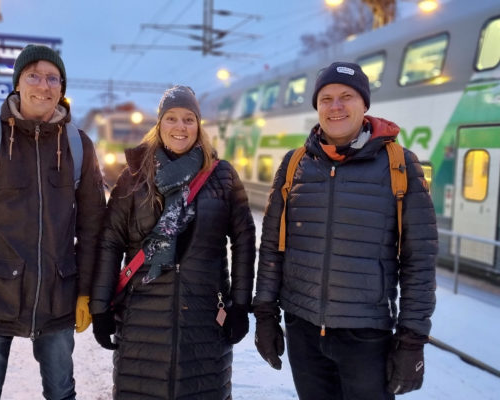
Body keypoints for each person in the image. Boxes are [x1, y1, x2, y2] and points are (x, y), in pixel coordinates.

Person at [253, 61, 438, 399]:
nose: (335, 106)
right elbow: (271, 246)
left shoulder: (400, 164)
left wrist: (412, 339)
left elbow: (420, 258)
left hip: (367, 334)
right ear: (317, 106)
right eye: (326, 98)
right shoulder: (295, 164)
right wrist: (265, 314)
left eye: (346, 96)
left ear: (364, 104)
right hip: (303, 330)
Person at [0, 44, 106, 400]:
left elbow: (92, 227)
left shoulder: (78, 145)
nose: (43, 85)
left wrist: (86, 289)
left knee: (62, 393)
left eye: (52, 78)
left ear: (61, 88)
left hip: (57, 297)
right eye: (34, 75)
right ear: (17, 84)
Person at [89, 85, 256, 399]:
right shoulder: (134, 176)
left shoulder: (222, 177)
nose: (181, 127)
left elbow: (244, 239)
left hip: (204, 317)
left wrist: (240, 305)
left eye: (189, 119)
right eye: (172, 119)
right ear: (159, 124)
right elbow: (110, 240)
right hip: (141, 316)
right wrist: (100, 308)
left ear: (198, 125)